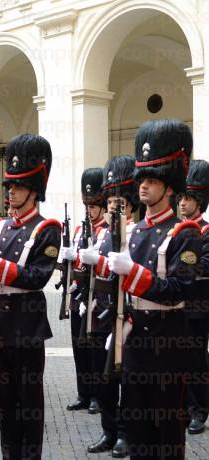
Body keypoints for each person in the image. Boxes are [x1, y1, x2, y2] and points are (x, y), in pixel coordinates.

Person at [108, 119, 200, 460]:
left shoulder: (184, 233)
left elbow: (178, 289)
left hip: (167, 341)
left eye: (153, 180)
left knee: (167, 432)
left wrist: (133, 273)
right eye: (142, 179)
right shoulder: (132, 232)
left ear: (169, 187)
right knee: (137, 428)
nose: (143, 187)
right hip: (135, 341)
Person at [0, 134, 61, 460]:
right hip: (1, 325)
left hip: (27, 324)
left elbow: (39, 276)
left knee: (29, 402)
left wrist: (0, 266)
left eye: (18, 185)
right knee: (5, 401)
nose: (10, 191)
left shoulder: (47, 228)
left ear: (34, 189)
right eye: (9, 185)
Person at [79, 155, 138, 457]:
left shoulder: (136, 231)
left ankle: (126, 434)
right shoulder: (103, 232)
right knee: (103, 380)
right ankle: (109, 429)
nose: (114, 205)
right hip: (102, 314)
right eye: (111, 199)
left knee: (124, 379)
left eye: (119, 200)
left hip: (127, 317)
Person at [62, 168, 107, 415]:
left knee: (93, 348)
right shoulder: (80, 230)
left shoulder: (106, 231)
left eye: (94, 206)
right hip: (78, 293)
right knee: (78, 346)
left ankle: (98, 396)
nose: (89, 211)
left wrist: (83, 257)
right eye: (87, 206)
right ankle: (84, 392)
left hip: (95, 296)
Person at [178, 159, 209, 435]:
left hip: (199, 307)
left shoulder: (206, 231)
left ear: (199, 202)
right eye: (181, 198)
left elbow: (205, 266)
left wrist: (184, 267)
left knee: (198, 361)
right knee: (179, 361)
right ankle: (185, 407)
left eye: (188, 199)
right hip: (177, 306)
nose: (182, 203)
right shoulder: (177, 231)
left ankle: (200, 410)